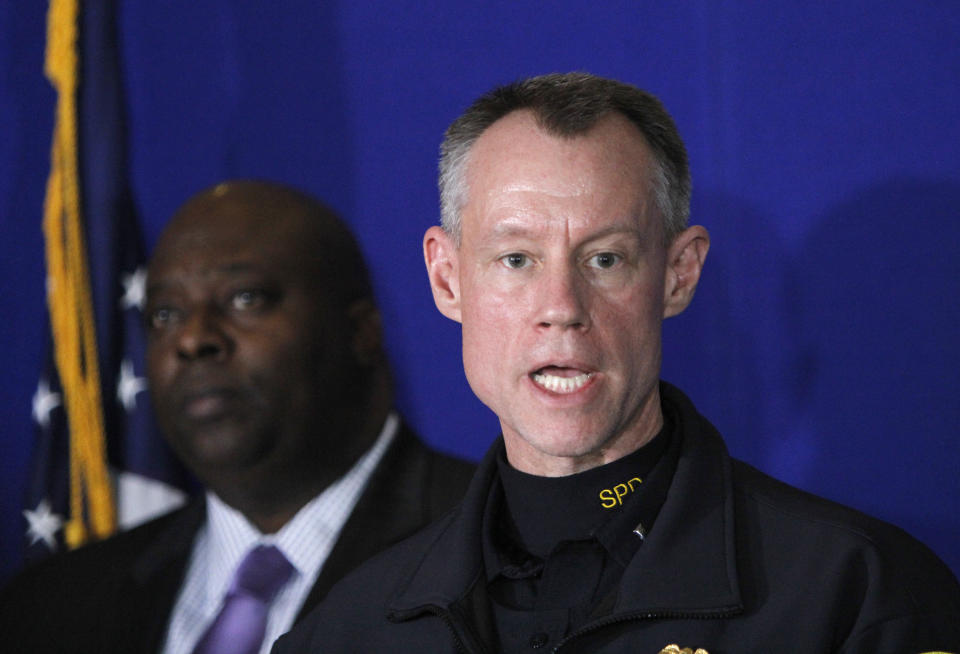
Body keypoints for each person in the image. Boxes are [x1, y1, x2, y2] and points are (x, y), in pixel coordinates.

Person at [274, 73, 960, 653]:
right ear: (448, 279)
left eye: (605, 259)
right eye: (516, 260)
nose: (562, 307)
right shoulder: (345, 632)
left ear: (678, 274)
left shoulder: (861, 600)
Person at [0, 180, 475, 654]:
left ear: (361, 333)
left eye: (246, 298)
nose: (193, 340)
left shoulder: (495, 553)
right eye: (165, 314)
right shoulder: (51, 606)